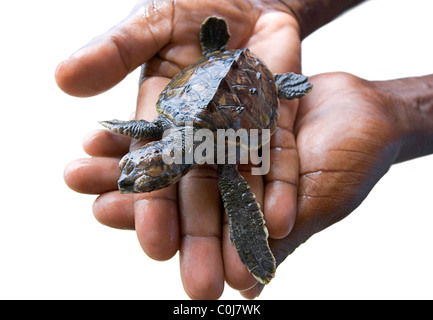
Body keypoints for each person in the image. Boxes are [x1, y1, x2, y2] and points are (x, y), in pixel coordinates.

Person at [56, 0, 433, 299]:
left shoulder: (192, 138)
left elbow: (237, 199)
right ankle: (243, 66)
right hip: (212, 76)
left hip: (242, 78)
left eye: (137, 175)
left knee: (238, 200)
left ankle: (273, 82)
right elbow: (148, 129)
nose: (132, 180)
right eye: (137, 174)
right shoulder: (167, 123)